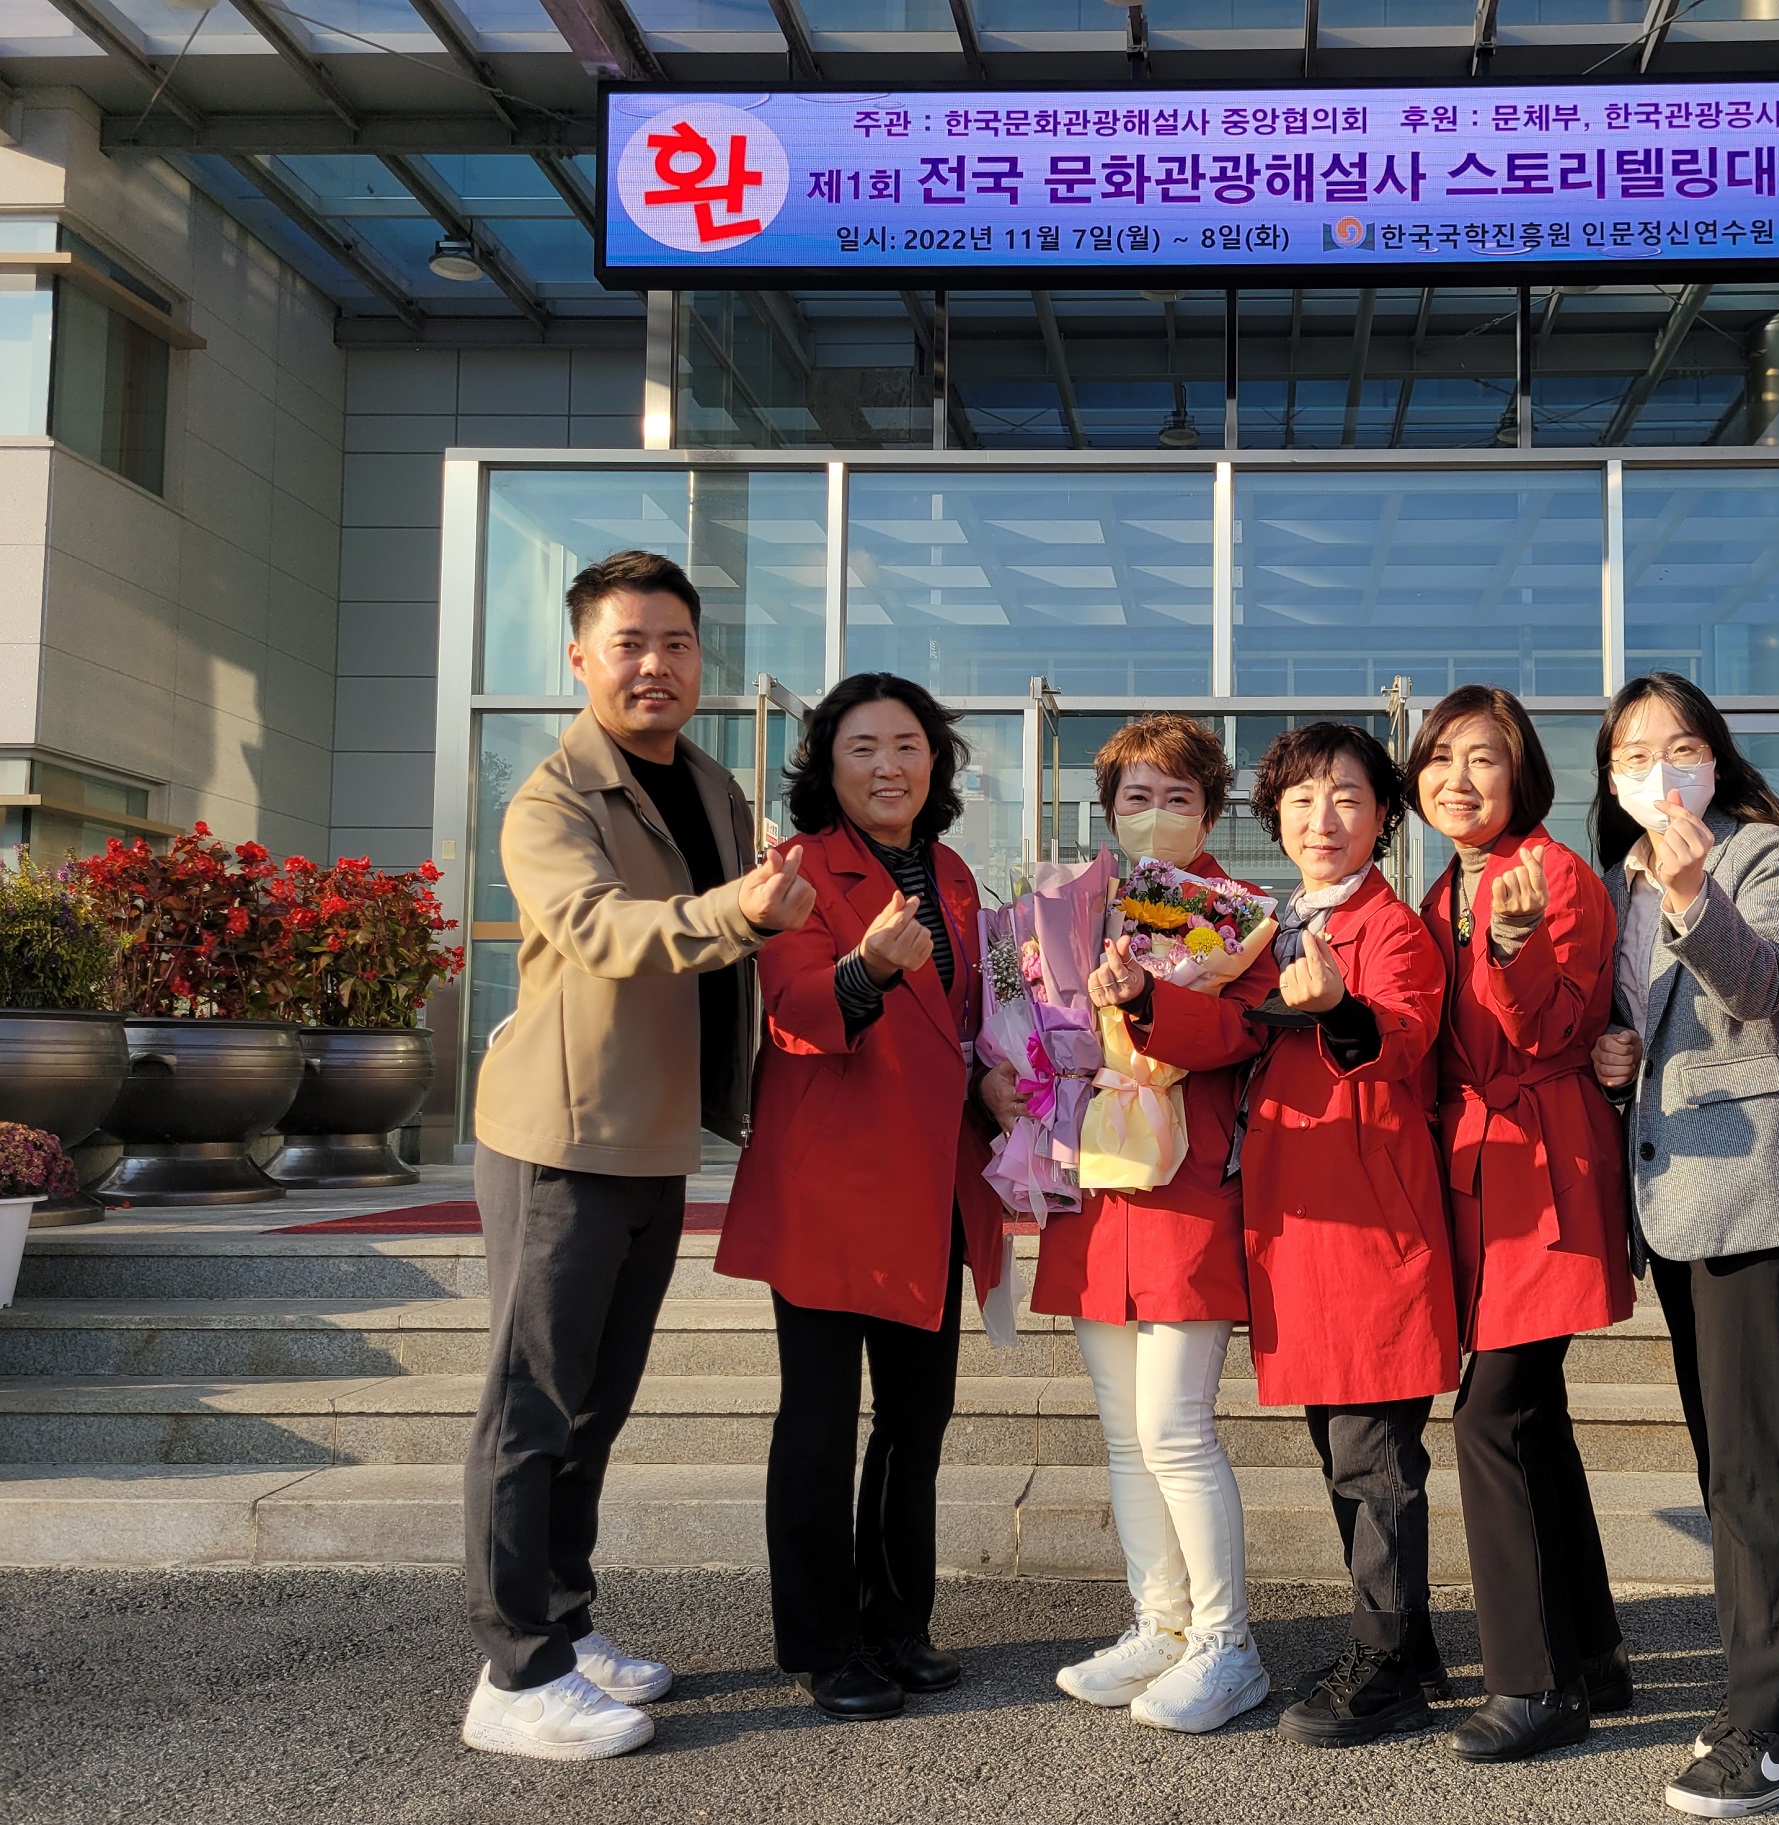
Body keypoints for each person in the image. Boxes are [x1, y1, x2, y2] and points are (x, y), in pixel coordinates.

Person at [461, 549, 817, 1762]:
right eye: (628, 643)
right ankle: (514, 1673)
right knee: (530, 1409)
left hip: (654, 1137)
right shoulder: (552, 798)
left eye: (675, 642)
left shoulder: (711, 785)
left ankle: (563, 1627)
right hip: (559, 1137)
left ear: (699, 658)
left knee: (594, 1407)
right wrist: (742, 911)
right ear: (580, 658)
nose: (654, 664)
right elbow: (599, 930)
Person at [714, 672, 1007, 1724]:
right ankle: (824, 1640)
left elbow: (963, 1022)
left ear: (936, 762)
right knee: (821, 1419)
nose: (889, 766)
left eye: (908, 746)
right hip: (831, 1182)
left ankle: (897, 1623)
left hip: (931, 1180)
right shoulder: (798, 868)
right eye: (863, 748)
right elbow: (794, 1011)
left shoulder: (954, 873)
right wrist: (866, 971)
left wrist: (994, 1080)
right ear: (826, 766)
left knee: (917, 1418)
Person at [1588, 672, 1779, 1819]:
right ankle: (1758, 1690)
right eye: (1633, 754)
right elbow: (1645, 1024)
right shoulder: (1623, 878)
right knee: (1724, 1463)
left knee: (1754, 1462)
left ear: (1715, 756)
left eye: (1679, 746)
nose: (1657, 769)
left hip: (1759, 1195)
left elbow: (1761, 985)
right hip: (1676, 1200)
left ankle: (1775, 1733)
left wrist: (1695, 891)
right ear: (1609, 776)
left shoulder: (1763, 854)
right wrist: (1615, 1056)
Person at [1034, 713, 1278, 1735]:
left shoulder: (1244, 917)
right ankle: (1160, 1622)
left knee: (1175, 1426)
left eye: (1180, 797)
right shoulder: (1071, 907)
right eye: (1137, 797)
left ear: (1210, 814)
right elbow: (1034, 1025)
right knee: (1123, 1432)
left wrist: (1141, 999)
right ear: (1110, 812)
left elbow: (1236, 1031)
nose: (1158, 814)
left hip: (1187, 1186)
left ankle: (1227, 1642)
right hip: (1099, 1187)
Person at [1407, 685, 1632, 1765]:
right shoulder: (1437, 888)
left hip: (1545, 1168)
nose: (1457, 778)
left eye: (1483, 758)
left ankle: (1533, 1683)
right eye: (1440, 757)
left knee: (1491, 1417)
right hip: (1478, 1175)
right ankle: (1593, 1654)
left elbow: (1554, 1026)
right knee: (1534, 1419)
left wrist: (1514, 942)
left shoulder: (1552, 874)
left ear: (1523, 774)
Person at [1234, 722, 1460, 1749]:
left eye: (1347, 798)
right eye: (1300, 799)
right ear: (1275, 817)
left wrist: (1340, 1008)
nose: (1321, 819)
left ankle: (1385, 1662)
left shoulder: (1392, 928)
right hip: (1301, 1232)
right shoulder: (1266, 927)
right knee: (1341, 1452)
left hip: (1369, 1227)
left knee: (1374, 1460)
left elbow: (1400, 1035)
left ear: (1382, 819)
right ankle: (1405, 1644)